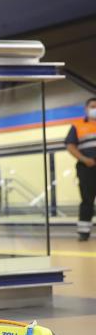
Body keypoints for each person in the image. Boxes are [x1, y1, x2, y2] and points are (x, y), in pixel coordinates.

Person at [64, 97, 96, 241]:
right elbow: (70, 146)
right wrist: (84, 159)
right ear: (86, 109)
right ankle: (84, 232)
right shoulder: (77, 125)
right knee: (87, 200)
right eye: (93, 106)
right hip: (87, 168)